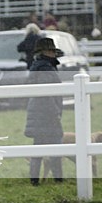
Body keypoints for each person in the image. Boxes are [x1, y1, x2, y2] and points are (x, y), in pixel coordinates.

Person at [24, 37, 64, 186]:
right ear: (47, 52)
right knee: (55, 145)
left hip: (39, 112)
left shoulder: (38, 66)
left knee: (39, 145)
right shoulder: (46, 69)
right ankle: (58, 179)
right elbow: (48, 94)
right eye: (51, 50)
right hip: (47, 113)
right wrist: (55, 112)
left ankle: (34, 179)